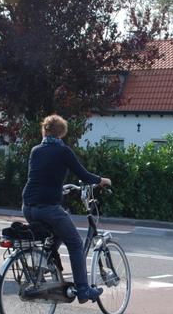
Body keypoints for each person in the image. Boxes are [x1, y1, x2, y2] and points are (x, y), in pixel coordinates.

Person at [22, 114, 111, 303]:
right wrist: (101, 181)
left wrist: (58, 189)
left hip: (28, 207)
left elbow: (41, 176)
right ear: (61, 133)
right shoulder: (63, 152)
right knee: (75, 243)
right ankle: (83, 289)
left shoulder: (35, 150)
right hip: (48, 208)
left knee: (59, 227)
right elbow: (83, 175)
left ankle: (45, 262)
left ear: (44, 130)